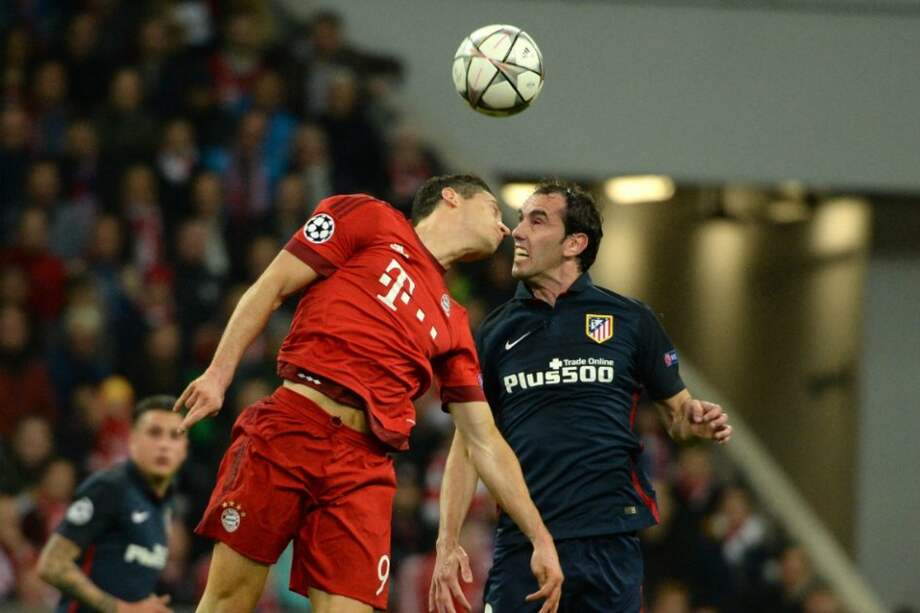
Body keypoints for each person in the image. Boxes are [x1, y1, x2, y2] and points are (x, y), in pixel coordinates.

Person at [174, 174, 563, 613]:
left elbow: (483, 439)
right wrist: (218, 374)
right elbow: (273, 285)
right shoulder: (369, 217)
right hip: (291, 425)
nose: (505, 228)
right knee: (228, 599)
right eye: (496, 210)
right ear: (451, 198)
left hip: (364, 465)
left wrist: (540, 536)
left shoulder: (454, 322)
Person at [430, 181, 732, 613]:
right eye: (520, 220)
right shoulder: (495, 332)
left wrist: (694, 416)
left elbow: (678, 413)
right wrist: (447, 540)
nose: (518, 232)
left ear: (574, 243)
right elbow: (468, 443)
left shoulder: (630, 319)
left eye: (537, 221)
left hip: (608, 540)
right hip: (526, 542)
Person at [37, 395, 188, 613]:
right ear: (132, 440)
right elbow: (52, 564)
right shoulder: (110, 488)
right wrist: (121, 609)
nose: (164, 445)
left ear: (184, 448)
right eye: (154, 433)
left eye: (175, 436)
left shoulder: (165, 503)